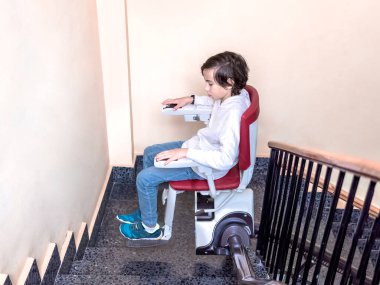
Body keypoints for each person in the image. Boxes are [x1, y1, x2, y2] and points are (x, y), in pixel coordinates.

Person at [116, 51, 251, 240]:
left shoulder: (233, 116)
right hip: (199, 147)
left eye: (210, 84)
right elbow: (217, 100)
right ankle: (146, 210)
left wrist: (185, 152)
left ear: (229, 81)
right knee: (149, 153)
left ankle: (149, 229)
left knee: (144, 179)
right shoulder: (238, 93)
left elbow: (225, 158)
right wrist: (191, 99)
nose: (206, 88)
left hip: (203, 166)